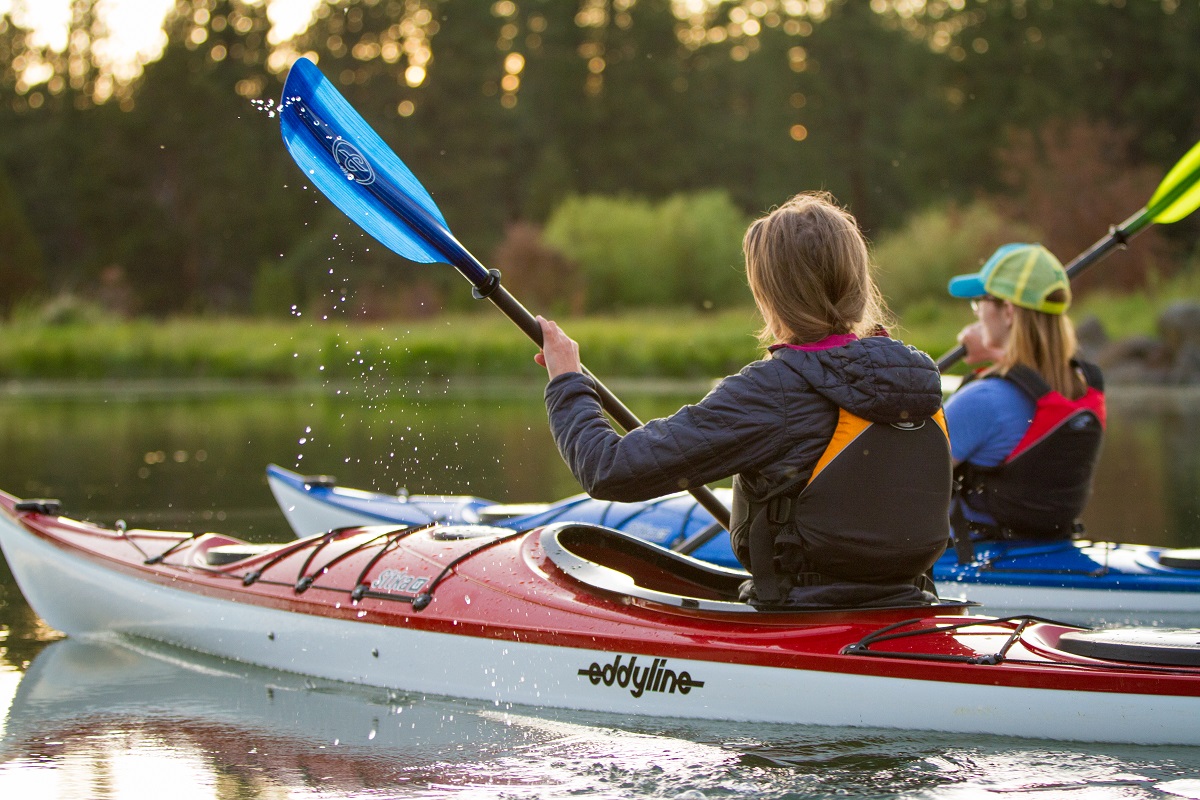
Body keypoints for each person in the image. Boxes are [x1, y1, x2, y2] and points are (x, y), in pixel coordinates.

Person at [534, 191, 952, 609]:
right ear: (858, 282)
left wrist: (568, 381)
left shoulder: (773, 390)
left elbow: (608, 469)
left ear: (770, 295)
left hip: (802, 616)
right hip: (907, 608)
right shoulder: (916, 380)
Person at [943, 243, 1106, 560]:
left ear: (1007, 312)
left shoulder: (983, 400)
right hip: (1048, 549)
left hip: (975, 557)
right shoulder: (1080, 389)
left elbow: (903, 480)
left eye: (981, 302)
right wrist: (994, 355)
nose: (977, 311)